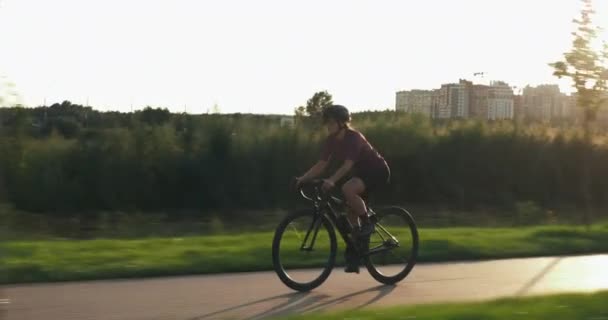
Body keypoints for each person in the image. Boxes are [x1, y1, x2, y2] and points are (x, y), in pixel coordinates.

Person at [296, 105, 391, 273]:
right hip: (362, 173)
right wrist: (303, 178)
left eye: (331, 122)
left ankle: (368, 224)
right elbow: (321, 164)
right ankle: (357, 253)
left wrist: (332, 180)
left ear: (341, 123)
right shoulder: (331, 140)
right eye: (327, 122)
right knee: (350, 212)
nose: (328, 126)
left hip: (377, 171)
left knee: (348, 189)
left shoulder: (353, 137)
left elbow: (348, 165)